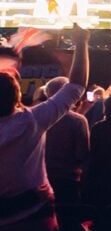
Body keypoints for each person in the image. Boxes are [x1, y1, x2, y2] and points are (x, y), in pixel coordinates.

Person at [0, 25, 88, 231]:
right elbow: (77, 85)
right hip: (33, 218)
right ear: (17, 95)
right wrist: (82, 43)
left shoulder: (31, 120)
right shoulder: (31, 121)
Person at [41, 75, 90, 204]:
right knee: (68, 219)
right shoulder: (78, 121)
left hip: (41, 179)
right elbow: (82, 153)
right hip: (68, 179)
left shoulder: (38, 117)